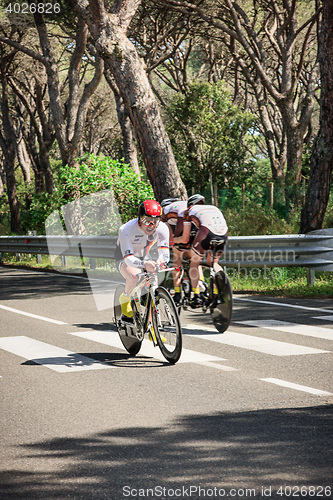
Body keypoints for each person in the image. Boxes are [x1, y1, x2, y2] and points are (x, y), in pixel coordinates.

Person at [116, 200, 170, 322]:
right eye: (147, 221)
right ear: (140, 218)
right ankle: (125, 298)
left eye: (155, 221)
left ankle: (152, 329)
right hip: (125, 256)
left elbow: (165, 255)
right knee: (135, 276)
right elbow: (129, 259)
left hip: (144, 256)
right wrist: (145, 264)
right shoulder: (126, 229)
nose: (151, 225)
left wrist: (161, 262)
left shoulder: (163, 228)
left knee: (153, 289)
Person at [174, 194, 228, 307]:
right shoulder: (214, 208)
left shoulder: (188, 211)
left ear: (189, 205)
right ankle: (217, 293)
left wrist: (173, 240)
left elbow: (185, 238)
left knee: (194, 262)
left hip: (206, 232)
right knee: (213, 263)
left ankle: (197, 296)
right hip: (223, 233)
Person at [161, 198, 188, 304]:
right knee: (194, 260)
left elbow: (166, 234)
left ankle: (177, 294)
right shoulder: (182, 206)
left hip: (180, 230)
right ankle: (199, 285)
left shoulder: (166, 212)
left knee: (177, 261)